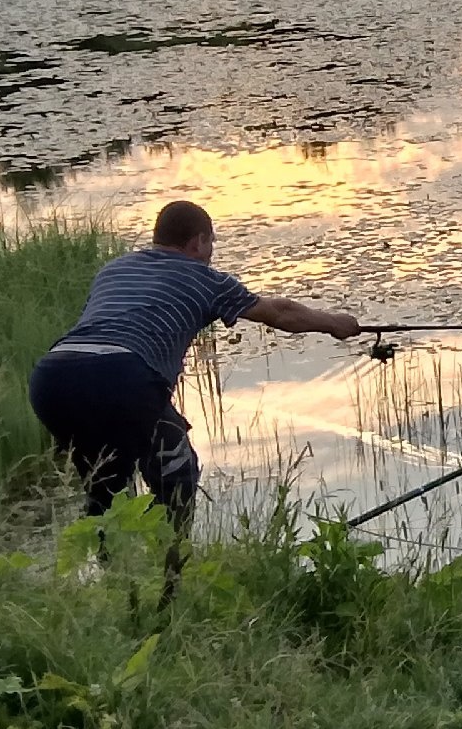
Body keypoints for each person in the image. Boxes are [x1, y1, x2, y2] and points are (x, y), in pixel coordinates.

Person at [28, 199, 361, 527]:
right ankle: (173, 574)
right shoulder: (206, 279)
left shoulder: (114, 268)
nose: (211, 251)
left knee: (105, 490)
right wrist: (333, 322)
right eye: (211, 242)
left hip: (53, 378)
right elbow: (279, 312)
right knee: (178, 475)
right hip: (124, 376)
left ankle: (116, 573)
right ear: (198, 241)